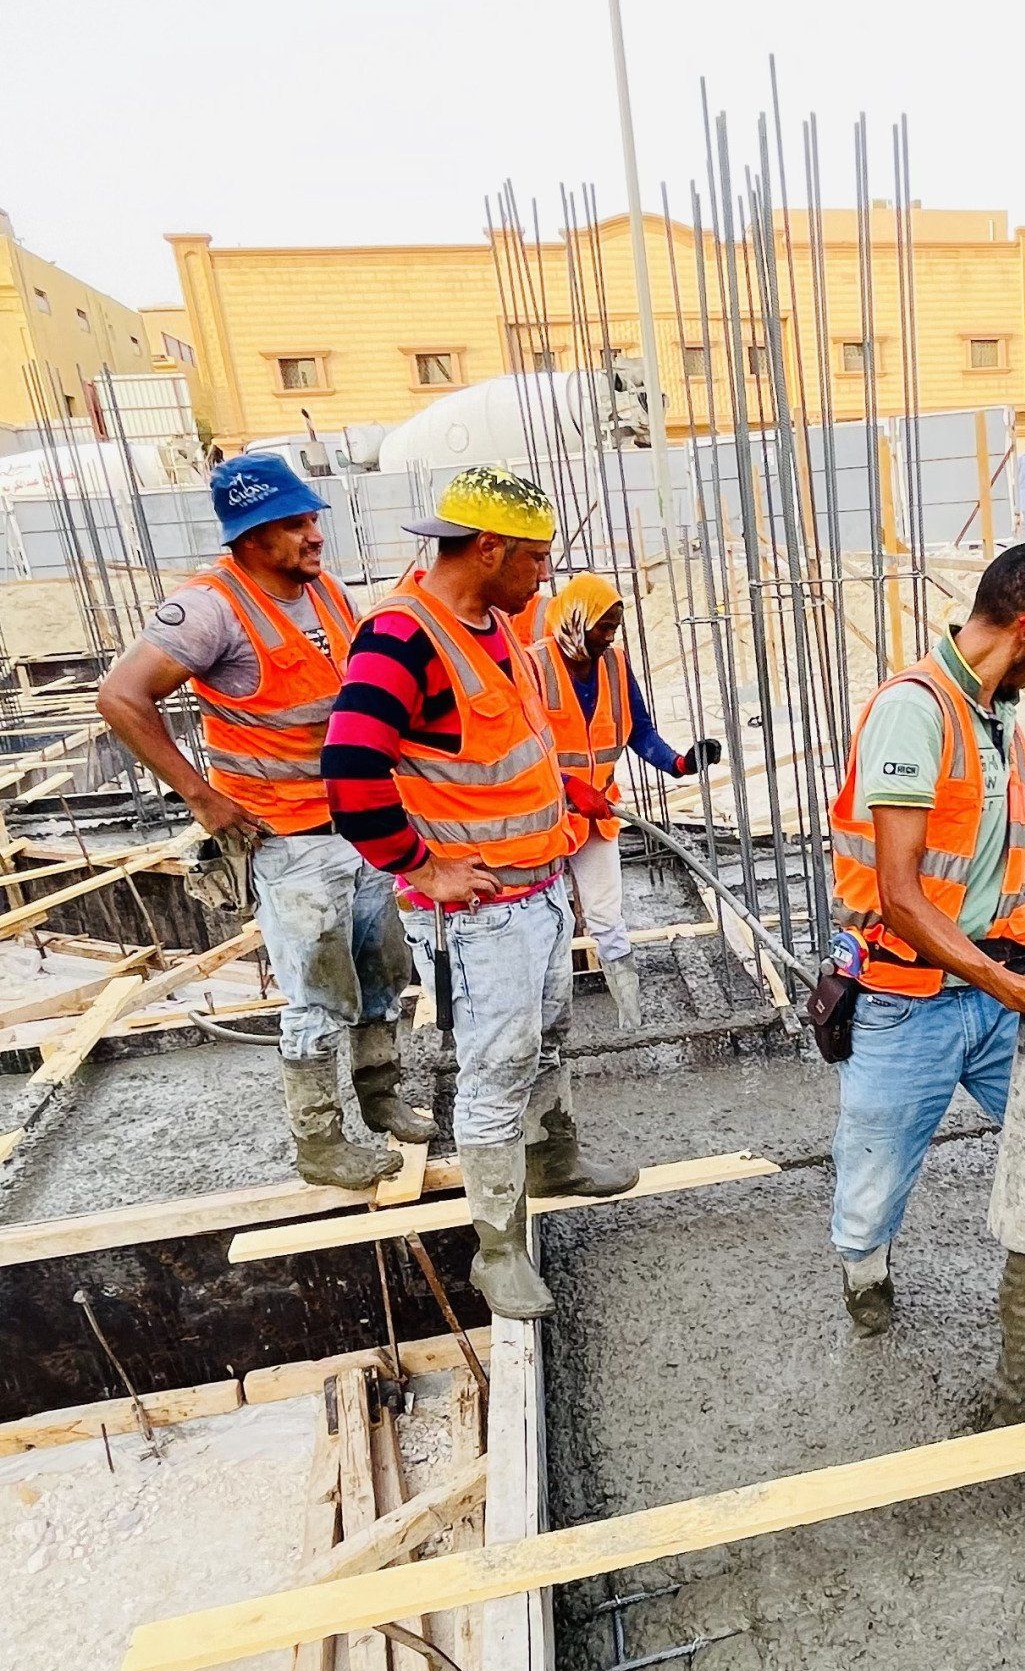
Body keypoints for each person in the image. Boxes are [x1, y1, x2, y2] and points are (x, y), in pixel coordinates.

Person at [321, 466, 640, 1319]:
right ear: (489, 548)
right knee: (497, 1070)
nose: (545, 573)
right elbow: (349, 771)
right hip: (480, 914)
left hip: (538, 890)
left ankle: (553, 1158)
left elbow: (503, 748)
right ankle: (497, 1248)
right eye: (535, 557)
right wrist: (422, 868)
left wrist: (566, 802)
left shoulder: (497, 625)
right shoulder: (402, 636)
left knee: (548, 1041)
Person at [827, 540, 1025, 1412]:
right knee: (870, 1192)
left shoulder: (1000, 723)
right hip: (906, 1003)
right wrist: (1023, 992)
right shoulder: (914, 711)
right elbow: (900, 896)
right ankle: (868, 1300)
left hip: (996, 994)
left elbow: (993, 881)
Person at [96, 451, 427, 1190]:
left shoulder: (328, 593)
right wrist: (201, 796)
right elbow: (120, 696)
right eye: (294, 523)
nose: (314, 534)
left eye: (312, 518)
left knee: (380, 971)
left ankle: (380, 1097)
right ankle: (320, 1141)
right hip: (290, 842)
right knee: (318, 992)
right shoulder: (211, 608)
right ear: (250, 536)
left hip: (361, 826)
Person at [533, 571, 722, 1026]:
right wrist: (565, 785)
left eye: (615, 627)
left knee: (607, 917)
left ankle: (631, 1021)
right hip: (542, 818)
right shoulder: (533, 666)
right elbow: (516, 747)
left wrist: (681, 763)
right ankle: (548, 1026)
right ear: (576, 621)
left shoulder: (615, 664)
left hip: (597, 813)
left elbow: (639, 730)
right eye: (603, 627)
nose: (610, 637)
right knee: (547, 922)